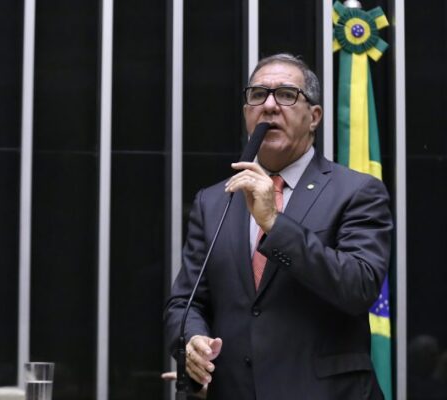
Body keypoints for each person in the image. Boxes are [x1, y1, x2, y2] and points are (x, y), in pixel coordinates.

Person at [164, 53, 392, 399]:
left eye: (286, 95)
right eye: (258, 95)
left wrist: (274, 223)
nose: (269, 106)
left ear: (314, 117)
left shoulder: (357, 191)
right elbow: (185, 302)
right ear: (247, 113)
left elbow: (359, 287)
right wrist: (192, 340)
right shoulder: (214, 201)